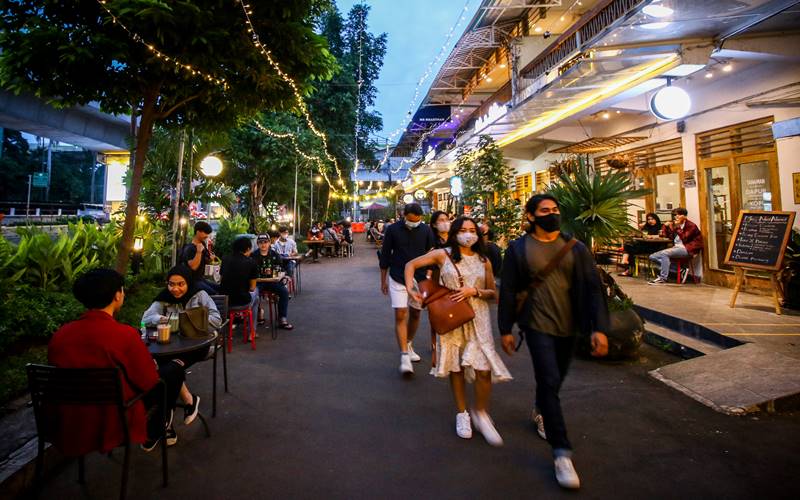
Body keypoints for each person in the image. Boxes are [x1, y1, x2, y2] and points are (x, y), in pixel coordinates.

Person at [498, 194, 609, 490]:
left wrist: (599, 329)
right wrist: (505, 329)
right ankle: (562, 453)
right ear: (531, 216)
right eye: (545, 210)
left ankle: (541, 407)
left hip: (570, 325)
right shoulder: (518, 249)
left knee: (555, 379)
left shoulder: (575, 248)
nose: (552, 214)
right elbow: (508, 290)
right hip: (537, 325)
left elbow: (593, 289)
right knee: (548, 379)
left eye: (555, 210)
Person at [49, 268, 186, 453]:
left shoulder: (60, 335)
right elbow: (148, 382)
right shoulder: (125, 335)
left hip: (70, 419)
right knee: (174, 370)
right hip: (115, 417)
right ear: (117, 295)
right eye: (122, 289)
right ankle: (157, 427)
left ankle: (160, 425)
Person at [405, 216, 511, 445]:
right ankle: (462, 413)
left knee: (483, 369)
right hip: (451, 316)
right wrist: (410, 289)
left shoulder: (485, 260)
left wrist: (475, 291)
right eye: (463, 230)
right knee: (456, 367)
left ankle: (481, 413)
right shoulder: (442, 254)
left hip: (478, 318)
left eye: (472, 230)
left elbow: (493, 292)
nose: (468, 234)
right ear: (454, 233)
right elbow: (410, 265)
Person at [142, 265, 222, 428]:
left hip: (197, 346)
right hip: (170, 348)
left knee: (167, 369)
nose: (175, 289)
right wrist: (160, 319)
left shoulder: (200, 295)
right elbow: (146, 318)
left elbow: (216, 320)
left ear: (188, 283)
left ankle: (164, 420)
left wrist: (191, 319)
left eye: (181, 284)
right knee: (169, 369)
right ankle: (186, 402)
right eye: (171, 284)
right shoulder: (163, 297)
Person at [379, 203, 434, 375]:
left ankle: (409, 343)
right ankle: (404, 355)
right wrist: (383, 280)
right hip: (398, 276)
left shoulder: (426, 230)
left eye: (417, 221)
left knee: (416, 313)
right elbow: (386, 254)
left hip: (420, 278)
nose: (414, 224)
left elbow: (431, 253)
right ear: (404, 215)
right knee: (401, 313)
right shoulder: (393, 230)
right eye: (410, 221)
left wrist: (430, 275)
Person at [648, 207, 704, 285]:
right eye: (675, 215)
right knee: (652, 257)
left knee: (664, 254)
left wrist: (677, 227)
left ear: (685, 216)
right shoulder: (675, 225)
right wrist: (665, 226)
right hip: (677, 248)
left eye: (679, 215)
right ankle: (679, 270)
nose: (676, 217)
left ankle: (662, 278)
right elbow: (666, 235)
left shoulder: (691, 225)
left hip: (688, 248)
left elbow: (685, 238)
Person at [253, 234, 294, 330]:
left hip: (273, 282)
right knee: (253, 294)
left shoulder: (275, 255)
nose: (263, 245)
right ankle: (259, 314)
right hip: (258, 283)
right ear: (257, 244)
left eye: (265, 242)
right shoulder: (253, 256)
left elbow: (281, 269)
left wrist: (282, 275)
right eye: (261, 242)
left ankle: (282, 318)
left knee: (284, 292)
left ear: (269, 243)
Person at [220, 236, 260, 331]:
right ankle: (252, 332)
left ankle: (235, 320)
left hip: (224, 302)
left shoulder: (225, 259)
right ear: (247, 249)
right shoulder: (251, 263)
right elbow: (252, 288)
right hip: (241, 302)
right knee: (257, 295)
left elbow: (221, 279)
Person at [179, 220, 218, 295]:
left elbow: (205, 260)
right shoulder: (190, 248)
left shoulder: (202, 244)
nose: (207, 236)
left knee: (220, 288)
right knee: (214, 293)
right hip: (192, 280)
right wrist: (198, 252)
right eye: (205, 233)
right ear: (198, 232)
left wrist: (211, 259)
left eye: (208, 233)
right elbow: (193, 267)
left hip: (200, 278)